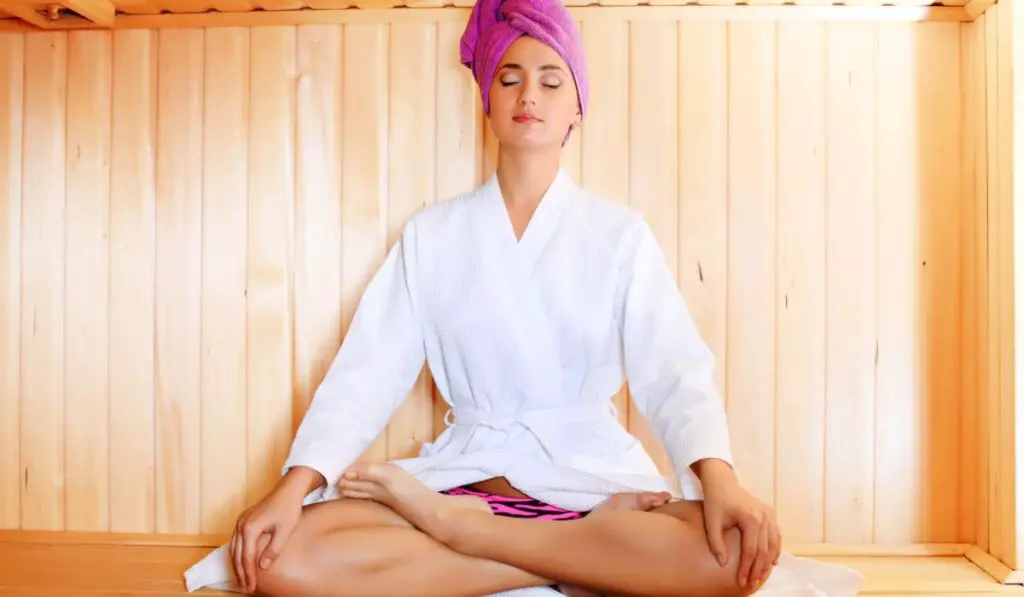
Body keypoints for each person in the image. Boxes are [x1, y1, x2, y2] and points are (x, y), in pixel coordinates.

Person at [183, 0, 866, 595]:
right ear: (487, 98)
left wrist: (722, 483)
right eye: (509, 76)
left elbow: (674, 369)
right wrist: (291, 489)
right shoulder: (434, 234)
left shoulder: (618, 235)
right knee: (281, 557)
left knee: (735, 560)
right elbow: (366, 371)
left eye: (550, 78)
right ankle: (567, 557)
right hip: (470, 474)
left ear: (577, 106)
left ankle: (477, 540)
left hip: (589, 471)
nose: (528, 93)